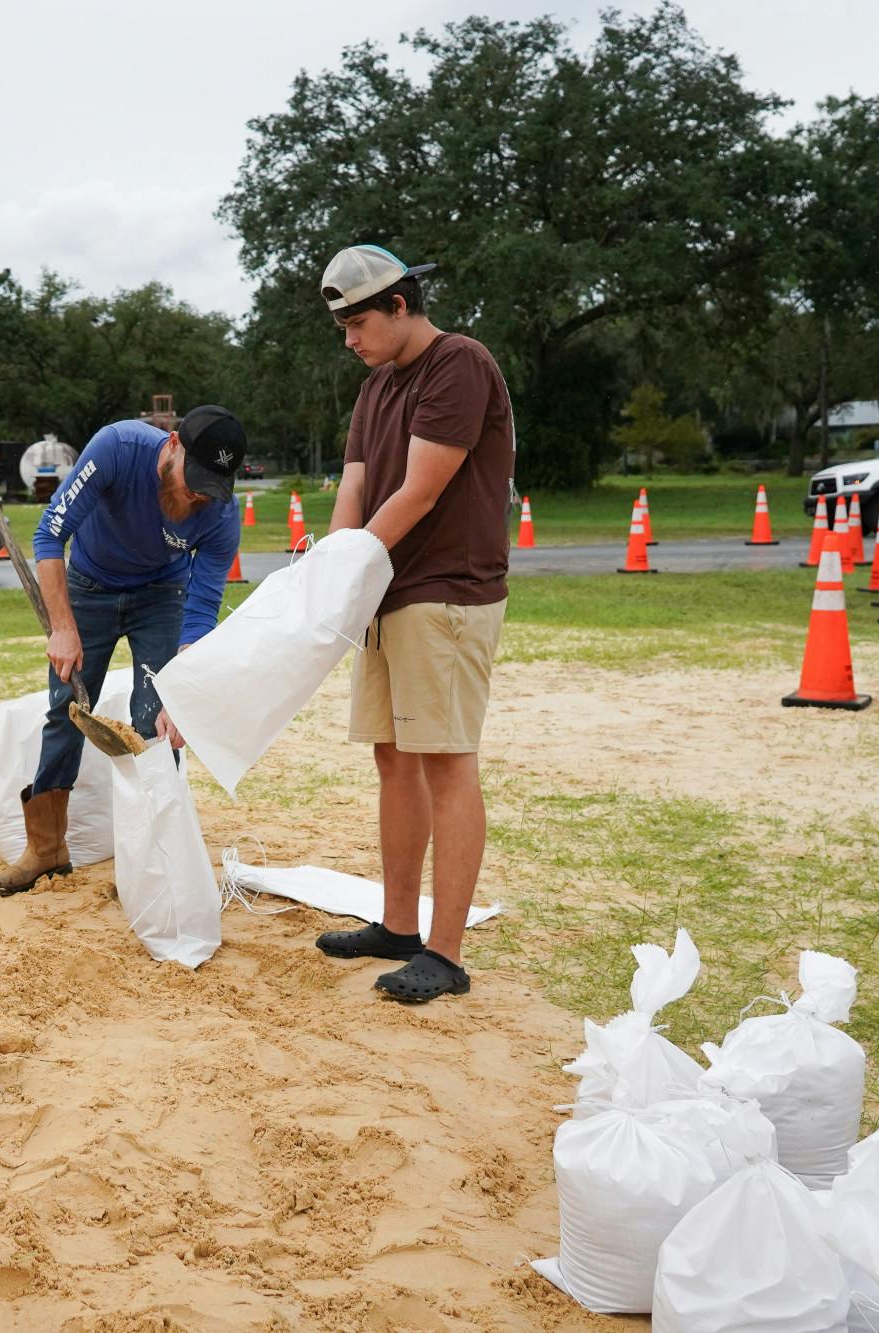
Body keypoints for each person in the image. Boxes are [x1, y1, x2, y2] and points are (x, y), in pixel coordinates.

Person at [313, 244, 514, 1003]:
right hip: (386, 590)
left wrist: (352, 562)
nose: (350, 339)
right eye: (342, 326)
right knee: (392, 758)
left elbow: (422, 490)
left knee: (445, 760)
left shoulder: (458, 364)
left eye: (359, 322)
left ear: (400, 305)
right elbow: (357, 487)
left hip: (447, 591)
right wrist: (335, 567)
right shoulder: (376, 390)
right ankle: (398, 926)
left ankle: (446, 952)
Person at [0, 406, 245, 895]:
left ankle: (155, 853)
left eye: (208, 488)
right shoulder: (117, 448)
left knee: (156, 721)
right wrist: (63, 628)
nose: (195, 495)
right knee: (67, 708)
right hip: (89, 587)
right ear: (172, 444)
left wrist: (182, 686)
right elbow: (49, 534)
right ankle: (47, 848)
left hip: (162, 596)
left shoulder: (220, 513)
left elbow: (203, 602)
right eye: (191, 479)